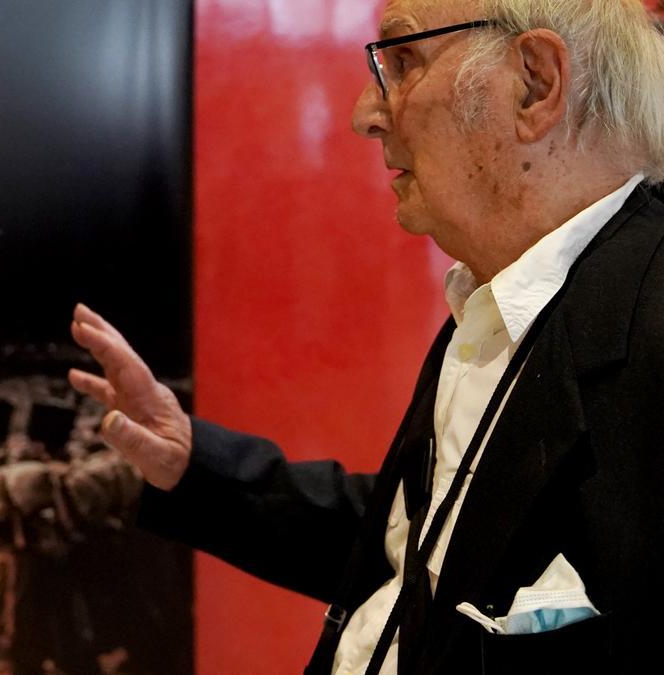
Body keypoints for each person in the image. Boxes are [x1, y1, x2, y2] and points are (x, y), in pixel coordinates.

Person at [68, 1, 664, 673]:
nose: (364, 112)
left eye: (403, 61)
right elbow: (423, 542)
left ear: (535, 83)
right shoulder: (499, 300)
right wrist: (192, 463)